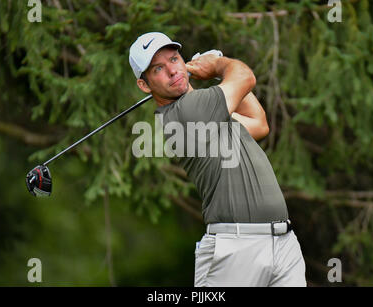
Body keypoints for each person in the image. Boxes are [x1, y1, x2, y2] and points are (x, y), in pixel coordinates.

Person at [129, 32, 306, 287]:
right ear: (145, 85)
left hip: (283, 242)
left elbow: (259, 124)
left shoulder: (211, 112)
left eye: (174, 59)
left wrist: (218, 73)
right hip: (235, 250)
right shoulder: (188, 111)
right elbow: (245, 77)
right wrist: (218, 65)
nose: (172, 70)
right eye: (158, 68)